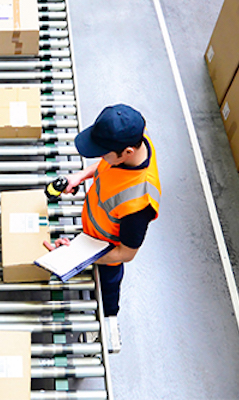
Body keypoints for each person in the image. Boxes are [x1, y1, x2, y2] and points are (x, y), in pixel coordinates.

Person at [44, 104, 161, 320]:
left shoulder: (139, 204)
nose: (101, 157)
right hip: (91, 234)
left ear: (127, 153)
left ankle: (110, 320)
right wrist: (79, 176)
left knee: (108, 290)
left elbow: (126, 254)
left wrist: (76, 256)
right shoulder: (137, 143)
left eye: (103, 153)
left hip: (107, 253)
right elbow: (105, 166)